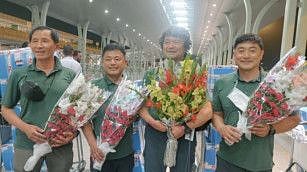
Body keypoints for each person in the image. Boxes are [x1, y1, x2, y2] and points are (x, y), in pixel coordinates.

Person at [212, 33, 301, 172]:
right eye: (241, 50)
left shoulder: (276, 84)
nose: (246, 55)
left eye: (252, 50)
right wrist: (222, 128)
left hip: (260, 163)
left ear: (261, 54)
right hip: (227, 159)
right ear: (234, 54)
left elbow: (295, 119)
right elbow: (216, 114)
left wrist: (270, 129)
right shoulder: (222, 83)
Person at [1, 26, 76, 172]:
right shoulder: (19, 74)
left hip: (60, 143)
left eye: (45, 41)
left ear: (56, 46)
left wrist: (73, 133)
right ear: (30, 45)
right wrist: (26, 128)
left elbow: (78, 110)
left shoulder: (69, 75)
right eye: (34, 41)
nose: (39, 45)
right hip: (27, 142)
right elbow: (5, 108)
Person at [138, 26, 213, 172]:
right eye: (167, 42)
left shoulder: (195, 73)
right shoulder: (152, 74)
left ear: (185, 46)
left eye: (176, 42)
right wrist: (153, 122)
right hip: (155, 133)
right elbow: (141, 106)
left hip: (184, 134)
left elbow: (207, 109)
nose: (171, 46)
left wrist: (184, 128)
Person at [82, 43, 133, 172]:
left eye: (117, 59)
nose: (112, 63)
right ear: (102, 63)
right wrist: (93, 145)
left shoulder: (132, 89)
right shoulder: (93, 87)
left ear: (125, 62)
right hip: (98, 153)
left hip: (125, 154)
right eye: (108, 59)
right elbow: (84, 119)